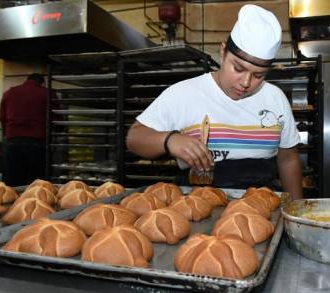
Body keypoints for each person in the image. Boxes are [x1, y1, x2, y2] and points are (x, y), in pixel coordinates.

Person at [126, 4, 302, 199]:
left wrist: (294, 214)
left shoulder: (275, 98)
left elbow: (288, 159)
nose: (245, 82)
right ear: (223, 52)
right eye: (238, 68)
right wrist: (169, 140)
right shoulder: (185, 93)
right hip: (198, 206)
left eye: (258, 75)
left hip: (263, 207)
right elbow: (134, 138)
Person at [0, 73, 49, 187]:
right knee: (37, 183)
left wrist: (7, 136)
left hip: (13, 142)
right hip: (37, 143)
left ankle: (12, 204)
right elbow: (55, 117)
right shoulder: (46, 93)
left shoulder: (9, 93)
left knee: (12, 183)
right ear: (43, 83)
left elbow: (2, 118)